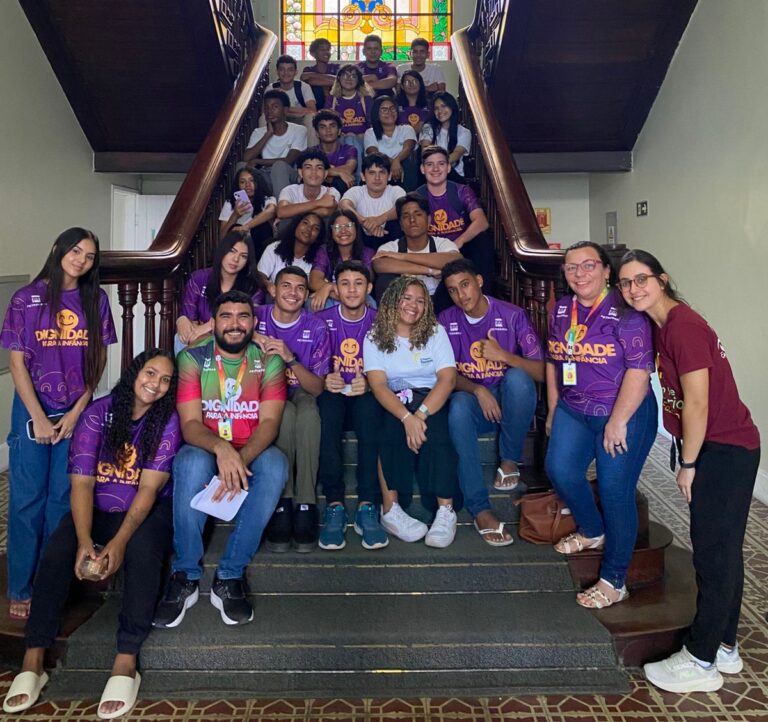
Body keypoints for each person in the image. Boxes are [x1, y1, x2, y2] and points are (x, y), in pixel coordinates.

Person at [2, 350, 180, 718]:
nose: (157, 385)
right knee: (57, 552)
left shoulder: (168, 421)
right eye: (151, 373)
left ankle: (125, 660)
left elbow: (147, 491)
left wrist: (117, 543)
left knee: (144, 556)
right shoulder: (98, 412)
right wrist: (85, 541)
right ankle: (33, 658)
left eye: (166, 380)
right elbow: (81, 484)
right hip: (96, 508)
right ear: (134, 372)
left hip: (143, 512)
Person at [617, 250, 760, 694]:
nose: (634, 289)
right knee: (723, 552)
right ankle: (724, 645)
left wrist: (689, 463)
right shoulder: (665, 327)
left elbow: (697, 402)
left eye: (642, 279)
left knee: (712, 555)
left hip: (723, 450)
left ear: (662, 280)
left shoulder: (683, 327)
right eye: (625, 283)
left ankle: (700, 658)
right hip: (726, 447)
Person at [1, 227, 117, 621]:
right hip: (33, 409)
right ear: (58, 249)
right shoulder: (26, 298)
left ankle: (52, 583)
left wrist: (77, 410)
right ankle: (21, 585)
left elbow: (97, 360)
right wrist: (37, 415)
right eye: (76, 251)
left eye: (89, 256)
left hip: (74, 409)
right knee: (26, 501)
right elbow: (17, 362)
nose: (81, 260)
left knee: (60, 500)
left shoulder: (95, 299)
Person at [153, 291, 288, 629]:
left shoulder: (268, 361)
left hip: (251, 449)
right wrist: (223, 451)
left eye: (243, 316)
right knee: (188, 461)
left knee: (276, 465)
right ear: (213, 323)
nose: (234, 324)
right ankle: (185, 572)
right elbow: (190, 424)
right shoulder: (192, 359)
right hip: (208, 446)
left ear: (254, 323)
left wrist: (239, 459)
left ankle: (229, 575)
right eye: (226, 316)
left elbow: (270, 424)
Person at [545, 241, 657, 609]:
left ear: (607, 271)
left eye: (588, 265)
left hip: (623, 413)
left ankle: (614, 579)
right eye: (571, 268)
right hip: (573, 409)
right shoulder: (562, 309)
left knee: (614, 489)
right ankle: (593, 530)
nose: (579, 274)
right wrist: (552, 407)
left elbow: (639, 372)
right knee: (559, 470)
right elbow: (553, 360)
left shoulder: (628, 314)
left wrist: (618, 421)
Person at [440, 259, 544, 546]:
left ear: (479, 281)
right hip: (474, 402)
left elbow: (542, 371)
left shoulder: (512, 315)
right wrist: (477, 390)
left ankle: (510, 461)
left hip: (510, 401)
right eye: (452, 290)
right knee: (458, 406)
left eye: (465, 285)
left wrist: (505, 357)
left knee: (519, 380)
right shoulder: (446, 321)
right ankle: (480, 509)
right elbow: (444, 375)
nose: (462, 295)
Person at [363, 275, 459, 547]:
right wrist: (406, 418)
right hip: (394, 400)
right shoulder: (374, 336)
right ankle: (390, 510)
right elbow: (378, 384)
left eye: (420, 300)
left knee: (439, 434)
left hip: (430, 399)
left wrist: (420, 416)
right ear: (393, 300)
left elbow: (447, 379)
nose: (413, 305)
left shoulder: (435, 332)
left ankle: (445, 510)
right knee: (388, 430)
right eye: (407, 298)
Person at [255, 267, 331, 552]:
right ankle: (282, 501)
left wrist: (290, 358)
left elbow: (317, 387)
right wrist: (253, 338)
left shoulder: (317, 326)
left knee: (309, 412)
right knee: (284, 416)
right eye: (286, 286)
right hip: (263, 391)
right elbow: (224, 328)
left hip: (302, 391)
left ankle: (306, 503)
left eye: (300, 288)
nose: (293, 293)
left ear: (307, 295)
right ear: (273, 290)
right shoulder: (256, 316)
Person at [316, 261, 387, 550]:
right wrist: (325, 378)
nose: (352, 289)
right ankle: (334, 504)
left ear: (369, 288)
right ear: (336, 288)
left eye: (358, 283)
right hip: (333, 393)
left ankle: (368, 504)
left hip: (365, 392)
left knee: (372, 417)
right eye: (344, 283)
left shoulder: (381, 320)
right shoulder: (322, 319)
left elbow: (392, 365)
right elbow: (313, 363)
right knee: (325, 416)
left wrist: (371, 383)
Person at [417, 145, 495, 287]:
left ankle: (485, 293)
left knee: (482, 240)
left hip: (460, 247)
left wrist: (458, 242)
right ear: (423, 169)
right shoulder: (416, 196)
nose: (435, 169)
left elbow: (482, 222)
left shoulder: (461, 191)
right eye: (430, 164)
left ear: (448, 167)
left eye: (441, 164)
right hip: (433, 252)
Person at [372, 192, 460, 312]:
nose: (412, 220)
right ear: (401, 224)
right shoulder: (391, 247)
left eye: (418, 214)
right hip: (404, 307)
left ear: (428, 219)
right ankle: (391, 327)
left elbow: (455, 260)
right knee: (384, 279)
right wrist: (429, 271)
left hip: (437, 304)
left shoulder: (443, 244)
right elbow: (379, 264)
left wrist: (401, 256)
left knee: (452, 277)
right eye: (406, 216)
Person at [177, 232, 265, 349]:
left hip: (235, 340)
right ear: (222, 251)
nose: (235, 259)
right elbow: (191, 323)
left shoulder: (253, 288)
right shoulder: (199, 278)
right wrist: (182, 320)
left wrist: (209, 325)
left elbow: (245, 325)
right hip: (199, 339)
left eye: (243, 256)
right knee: (179, 338)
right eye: (232, 251)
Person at [244, 89, 307, 198]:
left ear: (285, 110)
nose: (269, 111)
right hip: (265, 174)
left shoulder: (299, 130)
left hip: (289, 173)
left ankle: (283, 209)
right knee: (241, 166)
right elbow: (246, 158)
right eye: (266, 107)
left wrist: (258, 161)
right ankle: (243, 208)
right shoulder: (258, 132)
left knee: (279, 167)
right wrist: (268, 134)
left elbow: (288, 160)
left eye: (274, 107)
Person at [309, 209, 376, 312]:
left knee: (370, 305)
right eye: (337, 227)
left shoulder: (368, 253)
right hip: (331, 296)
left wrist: (329, 288)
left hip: (358, 296)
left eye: (348, 226)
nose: (343, 231)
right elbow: (314, 281)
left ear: (356, 228)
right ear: (331, 231)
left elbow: (365, 283)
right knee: (313, 303)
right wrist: (329, 287)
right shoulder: (324, 251)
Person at [340, 153, 406, 249]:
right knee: (350, 221)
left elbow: (403, 207)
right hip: (362, 243)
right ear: (363, 176)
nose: (377, 178)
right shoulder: (357, 191)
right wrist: (364, 222)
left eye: (382, 172)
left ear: (389, 176)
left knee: (397, 221)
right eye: (372, 173)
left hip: (390, 240)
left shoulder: (396, 190)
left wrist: (379, 220)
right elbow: (344, 205)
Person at [324, 64, 374, 174]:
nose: (349, 79)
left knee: (351, 140)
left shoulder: (366, 99)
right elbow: (326, 123)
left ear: (359, 81)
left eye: (353, 76)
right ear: (339, 79)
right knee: (349, 139)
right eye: (345, 75)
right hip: (339, 139)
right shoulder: (332, 100)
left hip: (362, 139)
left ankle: (356, 182)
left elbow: (372, 124)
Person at [218, 166, 277, 255]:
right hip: (238, 244)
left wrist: (246, 227)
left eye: (252, 180)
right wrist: (235, 215)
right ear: (238, 186)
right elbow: (222, 237)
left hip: (260, 244)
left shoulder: (267, 199)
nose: (247, 185)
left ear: (258, 182)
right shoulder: (230, 203)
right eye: (242, 182)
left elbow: (271, 211)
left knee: (261, 227)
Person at [363, 95, 418, 190]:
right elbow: (373, 153)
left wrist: (397, 160)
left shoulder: (407, 129)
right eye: (384, 110)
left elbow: (408, 148)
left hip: (404, 172)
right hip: (381, 170)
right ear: (377, 114)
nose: (390, 112)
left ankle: (409, 198)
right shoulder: (370, 133)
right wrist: (394, 163)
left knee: (409, 162)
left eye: (392, 108)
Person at [276, 149, 340, 226]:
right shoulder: (290, 190)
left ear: (325, 174)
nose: (314, 172)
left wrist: (292, 212)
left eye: (319, 168)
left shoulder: (331, 191)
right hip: (293, 234)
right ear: (300, 172)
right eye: (308, 167)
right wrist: (320, 202)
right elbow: (281, 212)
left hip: (321, 234)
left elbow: (326, 212)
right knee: (285, 221)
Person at [257, 211, 324, 284]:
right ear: (296, 225)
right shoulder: (274, 248)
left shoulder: (320, 259)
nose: (309, 229)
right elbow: (261, 276)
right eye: (305, 223)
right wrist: (268, 285)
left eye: (315, 228)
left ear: (318, 237)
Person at [419, 92, 472, 181]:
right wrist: (436, 167)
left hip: (454, 176)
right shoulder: (428, 127)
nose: (440, 111)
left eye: (443, 106)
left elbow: (457, 154)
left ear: (452, 107)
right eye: (436, 108)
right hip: (431, 173)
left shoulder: (464, 132)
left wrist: (438, 166)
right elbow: (425, 149)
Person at [268, 54, 318, 145]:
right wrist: (299, 111)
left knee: (311, 117)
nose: (286, 73)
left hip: (300, 120)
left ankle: (312, 152)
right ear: (277, 72)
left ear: (295, 72)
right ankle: (267, 153)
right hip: (279, 121)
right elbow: (268, 112)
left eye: (290, 70)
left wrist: (284, 109)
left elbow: (312, 110)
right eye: (282, 69)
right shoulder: (271, 88)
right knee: (263, 118)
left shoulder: (303, 87)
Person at [309, 109, 357, 194]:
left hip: (341, 191)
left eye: (332, 126)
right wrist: (338, 172)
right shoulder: (311, 152)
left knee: (342, 181)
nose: (328, 130)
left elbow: (348, 169)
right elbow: (307, 174)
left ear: (339, 131)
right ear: (317, 133)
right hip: (317, 192)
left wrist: (326, 172)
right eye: (323, 127)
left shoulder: (349, 149)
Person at [300, 38, 340, 110]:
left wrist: (315, 77)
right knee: (317, 90)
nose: (326, 52)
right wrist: (332, 81)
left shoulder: (336, 67)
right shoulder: (308, 69)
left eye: (328, 50)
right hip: (317, 106)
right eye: (322, 50)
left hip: (335, 105)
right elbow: (307, 79)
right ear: (313, 54)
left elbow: (340, 81)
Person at [396, 70, 430, 136]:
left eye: (415, 81)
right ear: (402, 86)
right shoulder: (395, 105)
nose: (411, 84)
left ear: (420, 84)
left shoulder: (430, 105)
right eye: (407, 82)